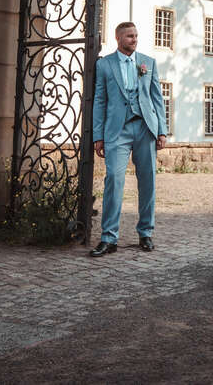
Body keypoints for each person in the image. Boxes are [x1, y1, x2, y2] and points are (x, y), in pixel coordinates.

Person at [90, 22, 167, 257]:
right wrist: (98, 135)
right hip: (117, 131)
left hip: (145, 127)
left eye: (136, 35)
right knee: (114, 179)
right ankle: (109, 238)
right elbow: (100, 100)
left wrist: (162, 130)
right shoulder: (104, 65)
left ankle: (145, 233)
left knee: (148, 180)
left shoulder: (148, 63)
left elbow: (157, 99)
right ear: (118, 38)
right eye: (129, 36)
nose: (134, 39)